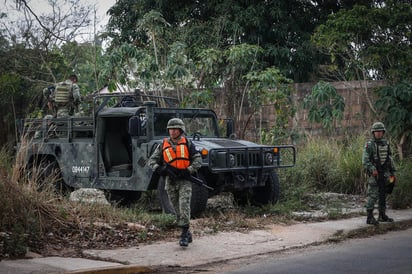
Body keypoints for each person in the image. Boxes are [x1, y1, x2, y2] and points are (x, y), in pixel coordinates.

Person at [147, 118, 202, 247]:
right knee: (175, 208)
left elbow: (198, 159)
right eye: (171, 129)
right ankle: (187, 231)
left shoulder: (188, 143)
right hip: (170, 181)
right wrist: (160, 169)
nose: (172, 131)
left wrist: (189, 170)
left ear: (180, 130)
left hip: (184, 180)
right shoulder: (163, 144)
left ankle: (183, 234)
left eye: (175, 129)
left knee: (184, 206)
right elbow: (151, 161)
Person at [362, 121, 396, 225]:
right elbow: (365, 160)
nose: (378, 133)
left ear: (383, 132)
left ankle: (382, 215)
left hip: (385, 174)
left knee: (383, 194)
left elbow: (389, 158)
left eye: (380, 131)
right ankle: (369, 217)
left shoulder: (386, 144)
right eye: (376, 131)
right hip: (375, 174)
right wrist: (373, 169)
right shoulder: (369, 145)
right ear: (373, 132)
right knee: (372, 195)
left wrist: (393, 172)